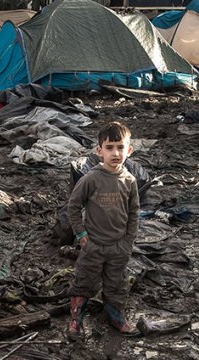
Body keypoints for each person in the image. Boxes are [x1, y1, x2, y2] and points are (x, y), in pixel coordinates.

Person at [66, 121, 139, 336]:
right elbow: (73, 206)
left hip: (118, 247)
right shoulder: (91, 179)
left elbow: (134, 213)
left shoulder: (130, 181)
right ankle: (76, 320)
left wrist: (128, 241)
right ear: (99, 151)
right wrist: (81, 234)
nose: (115, 153)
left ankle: (115, 317)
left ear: (129, 150)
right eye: (109, 147)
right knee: (84, 282)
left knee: (116, 284)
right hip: (93, 245)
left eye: (120, 147)